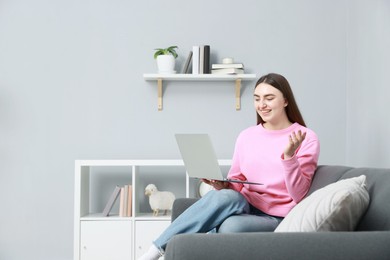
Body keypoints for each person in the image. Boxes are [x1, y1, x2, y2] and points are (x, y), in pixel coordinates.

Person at [139, 73, 320, 260]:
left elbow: (299, 194)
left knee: (230, 226)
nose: (262, 105)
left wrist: (289, 157)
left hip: (277, 217)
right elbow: (238, 181)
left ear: (285, 101)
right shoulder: (247, 136)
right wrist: (223, 185)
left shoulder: (305, 137)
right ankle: (153, 252)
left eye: (269, 98)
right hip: (246, 204)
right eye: (257, 99)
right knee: (223, 196)